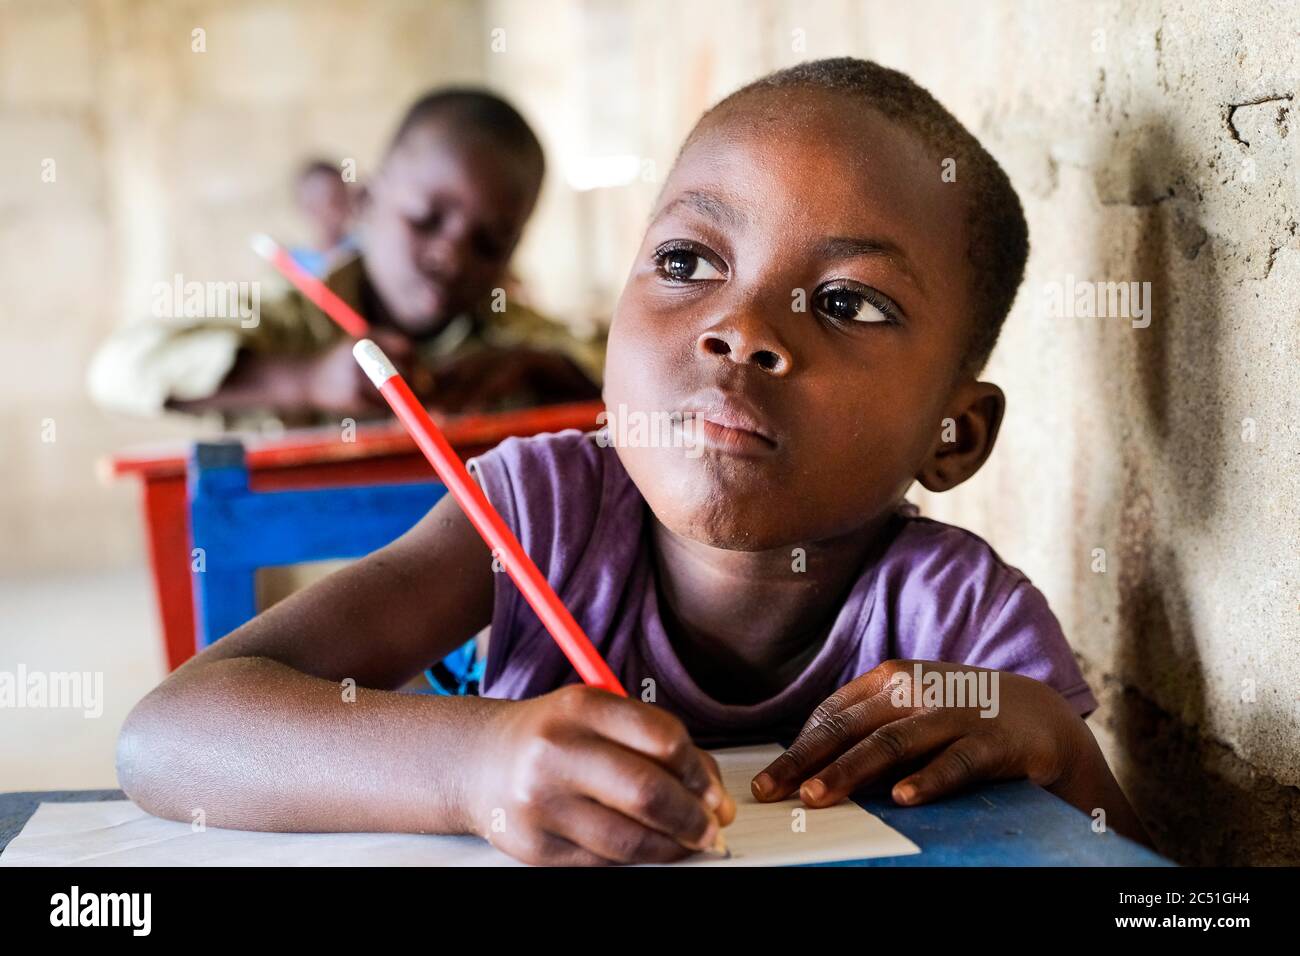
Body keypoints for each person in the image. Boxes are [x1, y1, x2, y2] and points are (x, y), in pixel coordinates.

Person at [117, 58, 1149, 865]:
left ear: (952, 435)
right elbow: (169, 737)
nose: (740, 329)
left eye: (846, 302)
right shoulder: (539, 514)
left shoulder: (957, 615)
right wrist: (472, 762)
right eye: (688, 261)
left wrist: (1056, 745)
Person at [88, 88, 603, 425]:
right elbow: (117, 369)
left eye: (488, 244)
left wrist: (539, 371)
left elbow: (624, 377)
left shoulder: (512, 340)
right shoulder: (294, 325)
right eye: (425, 218)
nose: (451, 255)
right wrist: (305, 378)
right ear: (368, 200)